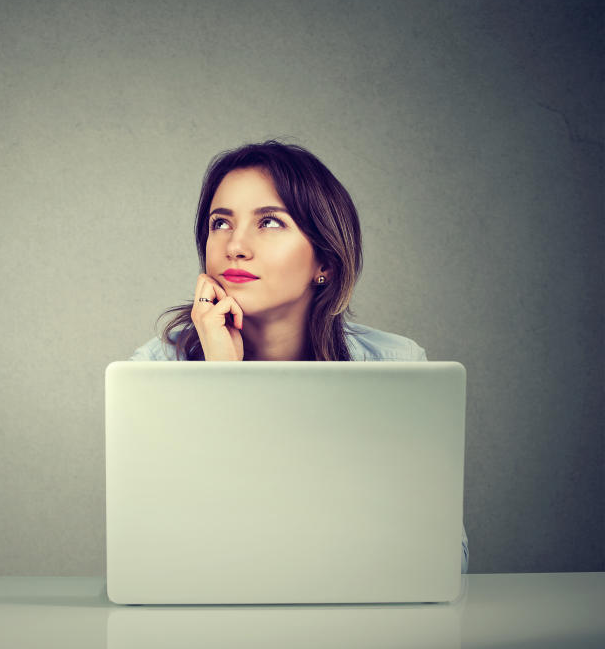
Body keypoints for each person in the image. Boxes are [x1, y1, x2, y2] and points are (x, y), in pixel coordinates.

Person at [129, 140, 469, 572]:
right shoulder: (153, 371)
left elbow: (446, 559)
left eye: (269, 222)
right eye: (220, 223)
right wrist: (223, 382)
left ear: (323, 260)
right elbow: (161, 555)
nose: (235, 246)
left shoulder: (395, 366)